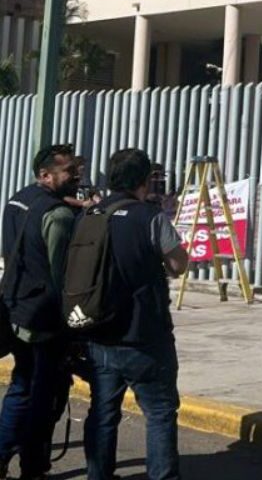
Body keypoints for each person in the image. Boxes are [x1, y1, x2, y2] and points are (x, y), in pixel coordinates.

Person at [83, 148, 189, 480]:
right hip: (144, 335)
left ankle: (98, 474)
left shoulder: (89, 214)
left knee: (102, 413)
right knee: (159, 413)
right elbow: (177, 266)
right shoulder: (150, 218)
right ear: (144, 180)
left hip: (98, 332)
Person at [0, 144, 79, 480]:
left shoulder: (18, 199)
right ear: (46, 175)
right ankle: (33, 466)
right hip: (45, 319)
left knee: (21, 385)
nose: (75, 176)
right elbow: (62, 275)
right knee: (45, 398)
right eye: (69, 171)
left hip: (16, 307)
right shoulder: (58, 216)